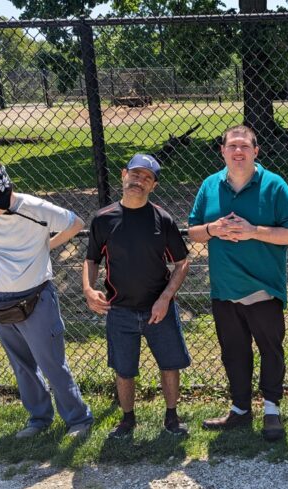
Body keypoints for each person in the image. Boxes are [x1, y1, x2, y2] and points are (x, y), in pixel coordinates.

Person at [188, 125, 288, 441]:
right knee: (233, 352)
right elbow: (193, 232)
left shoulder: (274, 185)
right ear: (222, 151)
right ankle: (239, 409)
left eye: (244, 146)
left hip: (263, 288)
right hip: (224, 290)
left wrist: (254, 231)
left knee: (270, 350)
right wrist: (213, 229)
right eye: (232, 146)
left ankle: (271, 410)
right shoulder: (210, 185)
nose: (238, 151)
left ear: (256, 150)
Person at [83, 154, 191, 439]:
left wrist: (166, 298)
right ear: (123, 175)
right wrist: (88, 288)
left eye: (147, 178)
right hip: (119, 310)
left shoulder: (162, 219)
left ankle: (172, 418)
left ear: (153, 186)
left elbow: (182, 263)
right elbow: (91, 259)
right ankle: (127, 419)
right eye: (135, 174)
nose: (139, 181)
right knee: (124, 369)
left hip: (159, 309)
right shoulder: (103, 220)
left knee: (170, 364)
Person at [0, 160, 93, 439]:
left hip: (36, 298)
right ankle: (39, 418)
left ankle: (78, 419)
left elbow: (76, 223)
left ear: (10, 187)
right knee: (21, 365)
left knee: (52, 363)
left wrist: (46, 245)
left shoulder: (34, 207)